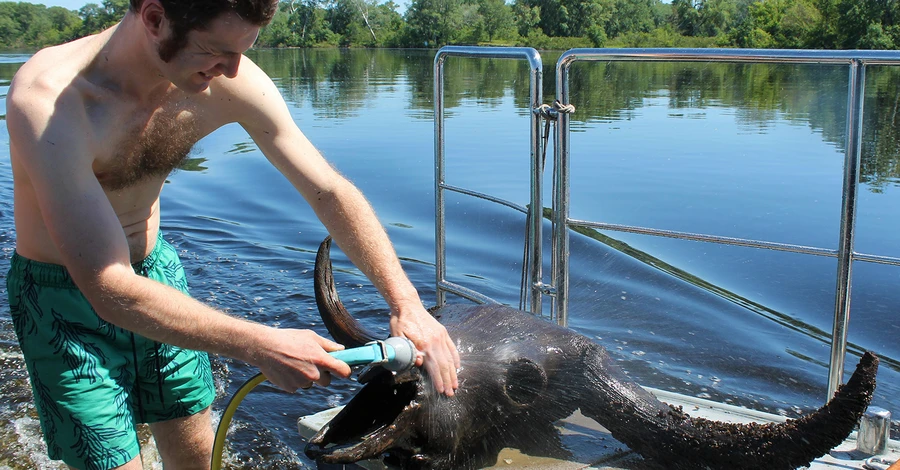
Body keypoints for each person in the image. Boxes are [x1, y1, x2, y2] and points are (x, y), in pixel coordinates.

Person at [4, 0, 461, 468]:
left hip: (156, 271)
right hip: (63, 297)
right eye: (215, 51)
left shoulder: (224, 79)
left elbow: (327, 189)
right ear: (156, 19)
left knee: (197, 455)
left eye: (244, 50)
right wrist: (259, 342)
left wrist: (407, 303)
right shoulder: (49, 101)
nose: (232, 69)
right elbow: (107, 285)